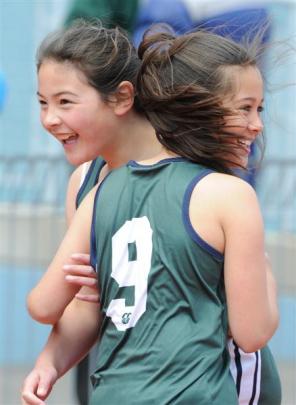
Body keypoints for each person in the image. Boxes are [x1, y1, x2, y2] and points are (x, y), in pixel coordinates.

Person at [21, 20, 280, 404]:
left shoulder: (202, 166)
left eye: (65, 101)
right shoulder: (87, 184)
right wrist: (51, 360)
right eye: (43, 103)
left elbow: (249, 329)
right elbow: (88, 305)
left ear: (123, 97)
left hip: (220, 379)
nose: (49, 119)